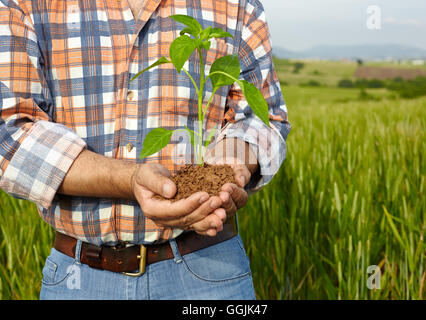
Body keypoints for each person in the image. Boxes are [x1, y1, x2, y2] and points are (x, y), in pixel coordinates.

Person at [0, 0, 290, 299]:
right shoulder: (29, 4)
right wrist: (130, 179)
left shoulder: (236, 5)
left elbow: (261, 118)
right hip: (79, 275)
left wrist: (227, 167)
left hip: (208, 270)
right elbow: (8, 132)